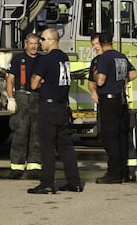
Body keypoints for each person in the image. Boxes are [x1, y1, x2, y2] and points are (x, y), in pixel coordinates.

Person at [27, 28, 84, 194]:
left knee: (47, 146)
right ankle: (74, 182)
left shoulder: (46, 59)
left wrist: (42, 81)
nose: (40, 43)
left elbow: (33, 84)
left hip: (49, 106)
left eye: (42, 39)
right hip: (62, 106)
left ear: (51, 40)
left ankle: (47, 183)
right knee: (66, 146)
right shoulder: (64, 58)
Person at [93, 32, 137, 184]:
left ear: (101, 42)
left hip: (109, 100)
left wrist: (98, 77)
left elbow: (100, 81)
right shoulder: (121, 56)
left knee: (110, 137)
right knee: (121, 137)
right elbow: (134, 73)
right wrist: (122, 80)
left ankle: (113, 173)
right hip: (121, 100)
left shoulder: (104, 58)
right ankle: (123, 171)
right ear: (111, 41)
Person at [5, 33, 42, 179]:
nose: (34, 46)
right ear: (26, 44)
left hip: (37, 97)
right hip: (21, 97)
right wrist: (11, 99)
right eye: (31, 43)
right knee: (20, 132)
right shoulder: (17, 59)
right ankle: (17, 166)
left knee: (36, 132)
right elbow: (10, 80)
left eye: (36, 43)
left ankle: (34, 165)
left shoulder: (42, 59)